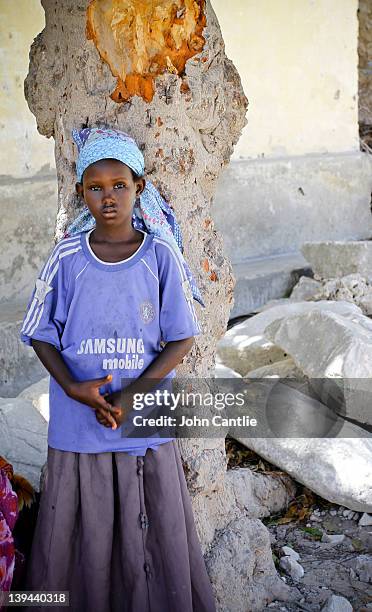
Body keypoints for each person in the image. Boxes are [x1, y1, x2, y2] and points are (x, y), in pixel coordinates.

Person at [20, 127, 216, 612]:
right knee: (73, 531)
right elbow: (39, 331)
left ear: (139, 188)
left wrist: (135, 396)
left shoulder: (159, 256)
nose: (108, 198)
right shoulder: (67, 258)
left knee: (151, 532)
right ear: (81, 192)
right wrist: (72, 386)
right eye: (95, 187)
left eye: (119, 185)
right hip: (78, 425)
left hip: (142, 422)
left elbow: (182, 337)